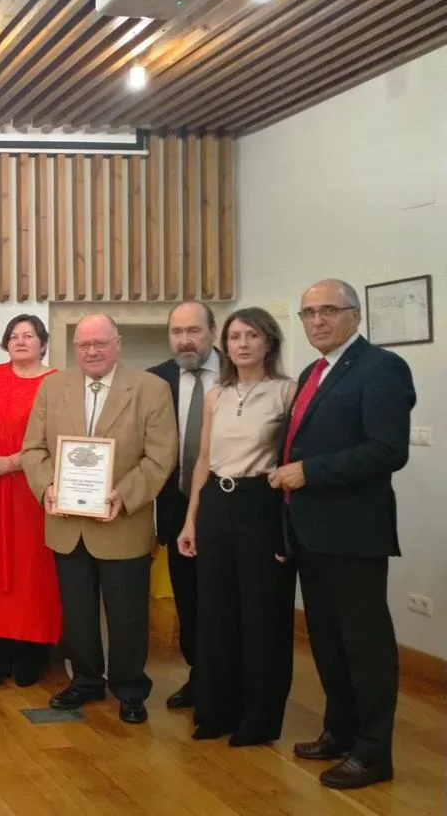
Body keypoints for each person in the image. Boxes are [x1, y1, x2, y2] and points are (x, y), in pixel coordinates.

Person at [270, 279, 414, 789]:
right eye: (309, 313)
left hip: (354, 533)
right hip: (311, 533)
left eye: (329, 311)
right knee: (328, 642)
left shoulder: (382, 369)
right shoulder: (314, 371)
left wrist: (311, 471)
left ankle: (374, 752)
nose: (317, 321)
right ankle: (340, 730)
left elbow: (387, 450)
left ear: (355, 315)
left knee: (364, 645)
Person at [22, 314, 177, 724]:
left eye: (100, 343)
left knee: (127, 614)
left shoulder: (151, 389)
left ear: (117, 343)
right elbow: (33, 450)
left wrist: (123, 497)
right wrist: (46, 489)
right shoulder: (53, 387)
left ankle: (129, 688)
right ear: (75, 348)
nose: (91, 351)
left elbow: (161, 457)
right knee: (77, 613)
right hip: (66, 523)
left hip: (122, 521)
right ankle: (86, 680)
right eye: (83, 345)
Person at [176, 307, 297, 746]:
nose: (242, 344)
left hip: (260, 505)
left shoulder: (288, 392)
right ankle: (216, 709)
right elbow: (204, 460)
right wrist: (191, 520)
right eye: (234, 337)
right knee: (216, 612)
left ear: (269, 342)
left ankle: (260, 717)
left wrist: (289, 528)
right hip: (216, 505)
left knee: (262, 615)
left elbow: (290, 462)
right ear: (223, 345)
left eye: (251, 336)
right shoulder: (217, 395)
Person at [0, 314, 62, 688]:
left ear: (42, 342)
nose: (21, 341)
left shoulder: (56, 383)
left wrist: (12, 462)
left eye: (29, 335)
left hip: (30, 488)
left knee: (32, 570)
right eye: (14, 336)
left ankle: (32, 653)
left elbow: (56, 440)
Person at [148, 300, 220, 711]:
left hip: (228, 504)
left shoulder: (237, 374)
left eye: (194, 331)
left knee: (227, 595)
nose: (185, 340)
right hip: (176, 507)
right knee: (188, 595)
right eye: (177, 332)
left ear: (213, 331)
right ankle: (199, 674)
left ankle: (232, 677)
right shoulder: (158, 380)